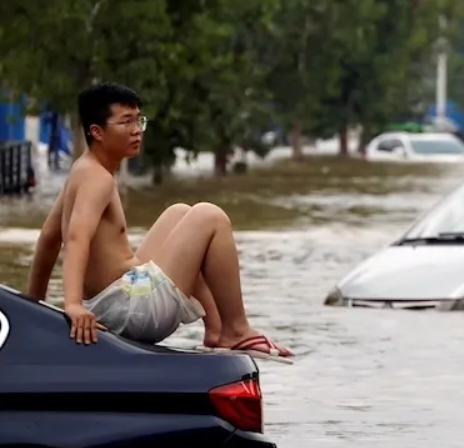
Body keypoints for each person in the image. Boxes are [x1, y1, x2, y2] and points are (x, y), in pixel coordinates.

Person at [25, 82, 292, 361]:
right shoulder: (97, 179)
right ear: (97, 132)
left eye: (139, 120)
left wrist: (32, 310)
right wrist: (72, 304)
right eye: (125, 122)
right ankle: (237, 330)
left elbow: (48, 238)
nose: (137, 130)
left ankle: (215, 330)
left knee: (178, 214)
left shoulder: (82, 169)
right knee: (209, 216)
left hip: (119, 299)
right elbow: (76, 238)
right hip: (128, 309)